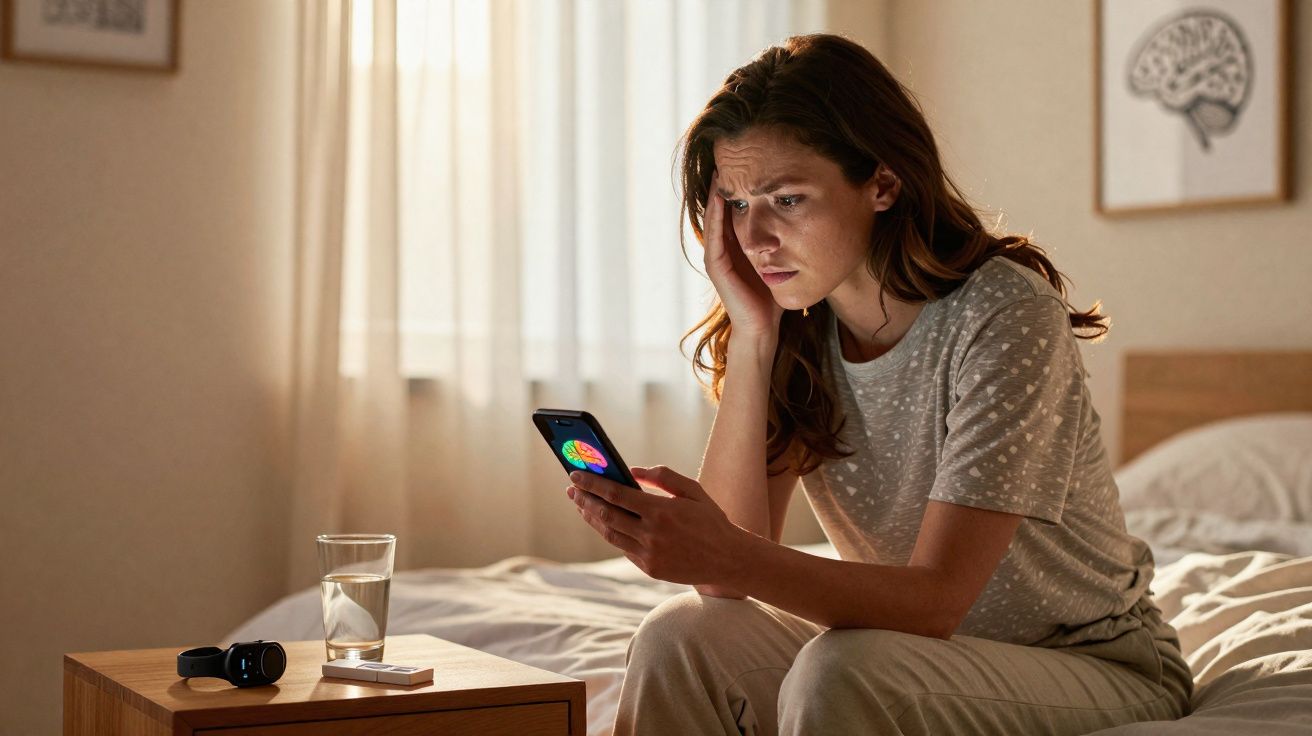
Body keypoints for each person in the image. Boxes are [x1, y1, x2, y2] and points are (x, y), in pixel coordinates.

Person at [563, 33, 1193, 735]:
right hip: (917, 654)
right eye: (736, 204)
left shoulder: (1005, 315)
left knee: (841, 670)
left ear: (883, 184)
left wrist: (727, 552)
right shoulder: (800, 326)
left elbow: (935, 602)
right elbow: (724, 579)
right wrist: (755, 336)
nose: (757, 236)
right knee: (677, 636)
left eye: (787, 199)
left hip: (1092, 664)